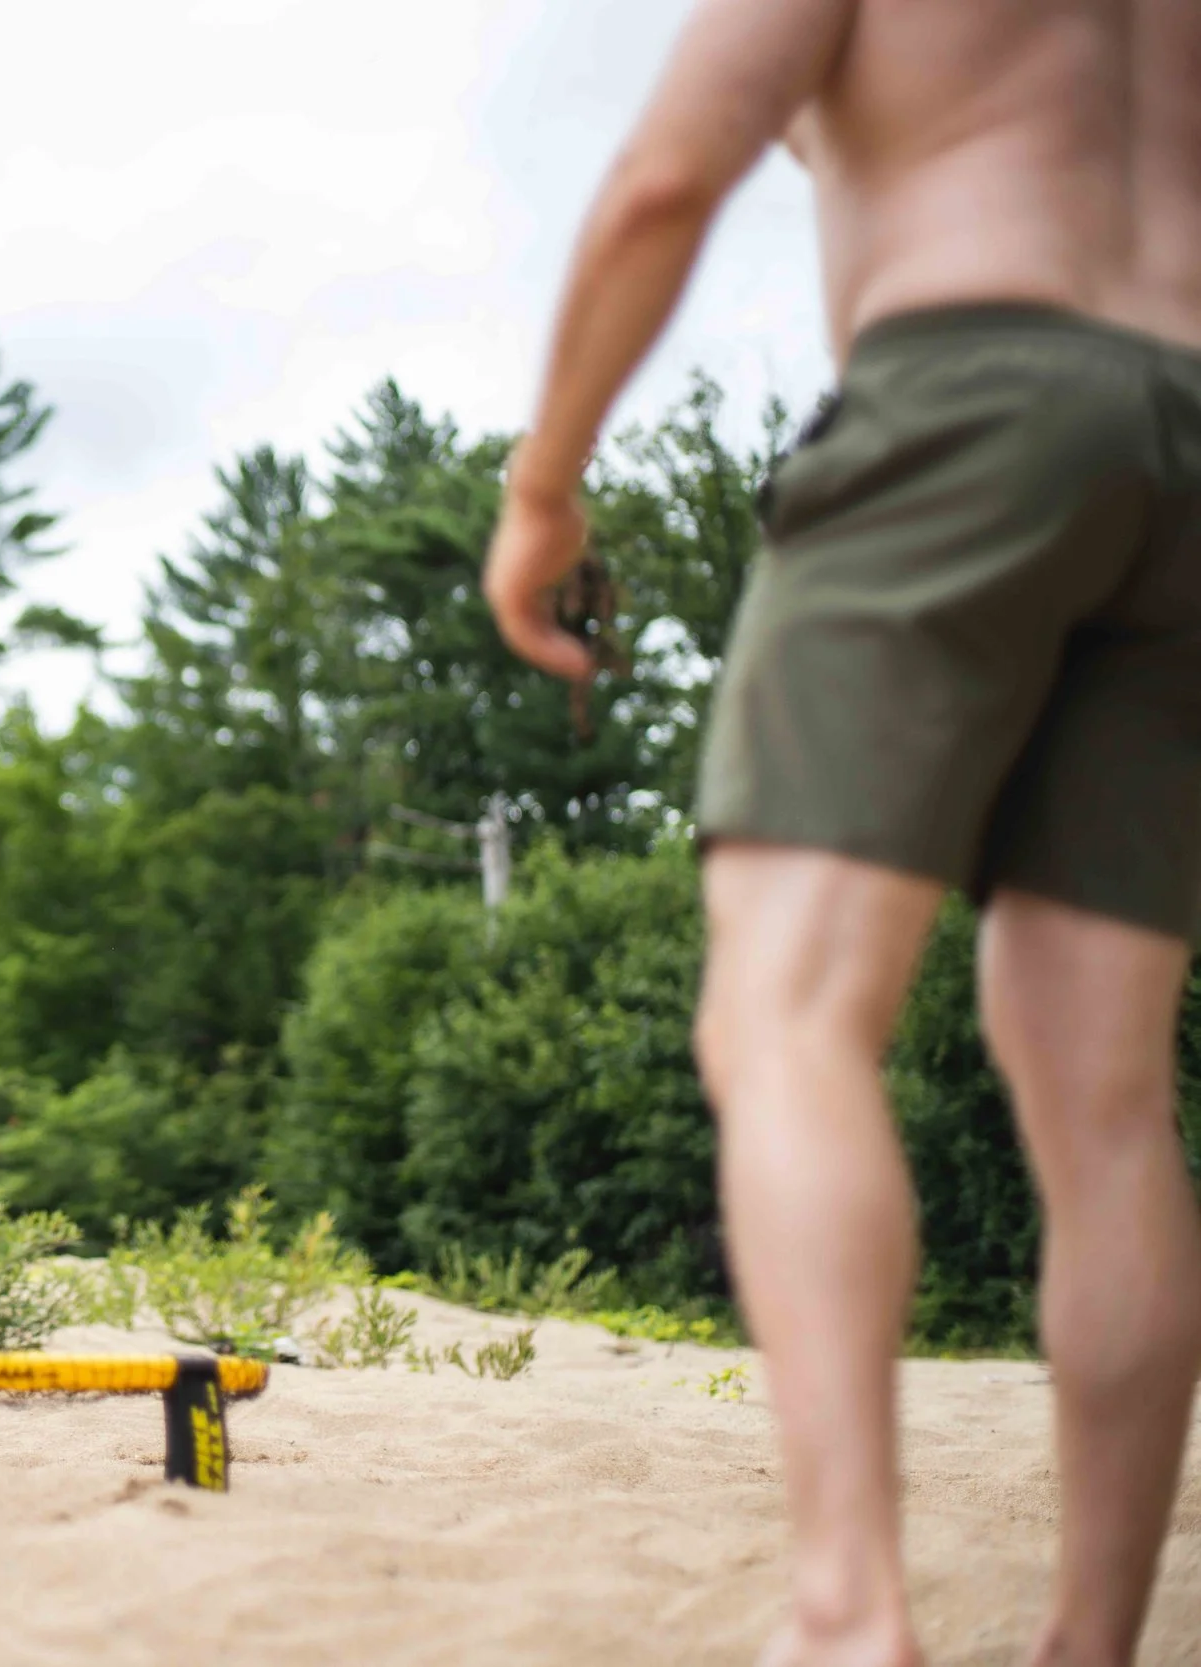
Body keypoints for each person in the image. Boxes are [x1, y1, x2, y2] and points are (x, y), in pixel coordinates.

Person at [482, 2, 1201, 1662]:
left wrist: (547, 490)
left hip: (968, 391)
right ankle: (1091, 1643)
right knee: (1104, 1092)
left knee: (792, 1012)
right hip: (1184, 446)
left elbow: (667, 181)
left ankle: (849, 1617)